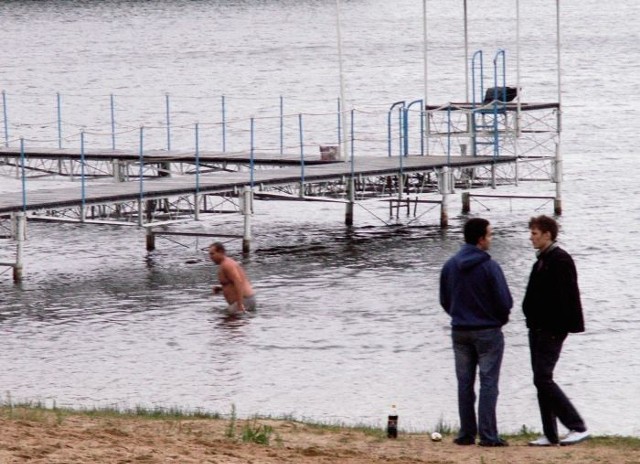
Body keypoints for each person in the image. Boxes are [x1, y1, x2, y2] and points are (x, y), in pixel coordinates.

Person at [440, 218, 513, 447]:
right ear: (481, 239)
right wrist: (499, 320)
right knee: (489, 383)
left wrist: (457, 314)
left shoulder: (450, 265)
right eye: (490, 235)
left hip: (460, 331)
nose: (491, 239)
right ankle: (489, 435)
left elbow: (444, 299)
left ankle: (466, 433)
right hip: (488, 332)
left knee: (464, 383)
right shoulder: (490, 266)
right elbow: (505, 301)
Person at [523, 215, 589, 446]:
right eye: (531, 233)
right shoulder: (541, 260)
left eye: (535, 233)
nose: (531, 237)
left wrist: (555, 326)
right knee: (540, 379)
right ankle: (550, 434)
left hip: (551, 328)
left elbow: (565, 298)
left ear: (548, 234)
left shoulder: (560, 260)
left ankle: (576, 426)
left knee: (543, 378)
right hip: (537, 327)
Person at [209, 242, 256, 313]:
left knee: (227, 322)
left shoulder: (227, 265)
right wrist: (221, 288)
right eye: (209, 254)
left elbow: (238, 282)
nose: (210, 257)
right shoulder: (225, 263)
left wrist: (240, 305)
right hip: (246, 300)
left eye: (212, 254)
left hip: (244, 300)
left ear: (221, 252)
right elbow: (235, 282)